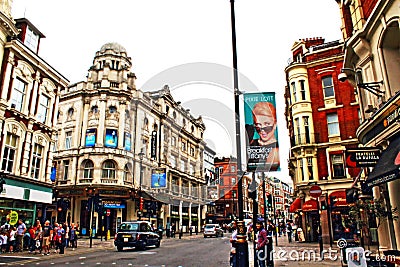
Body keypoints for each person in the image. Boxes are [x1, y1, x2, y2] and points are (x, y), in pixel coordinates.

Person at [247, 101, 280, 170]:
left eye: (267, 124)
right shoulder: (252, 143)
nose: (262, 130)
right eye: (258, 125)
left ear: (275, 124)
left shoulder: (276, 150)